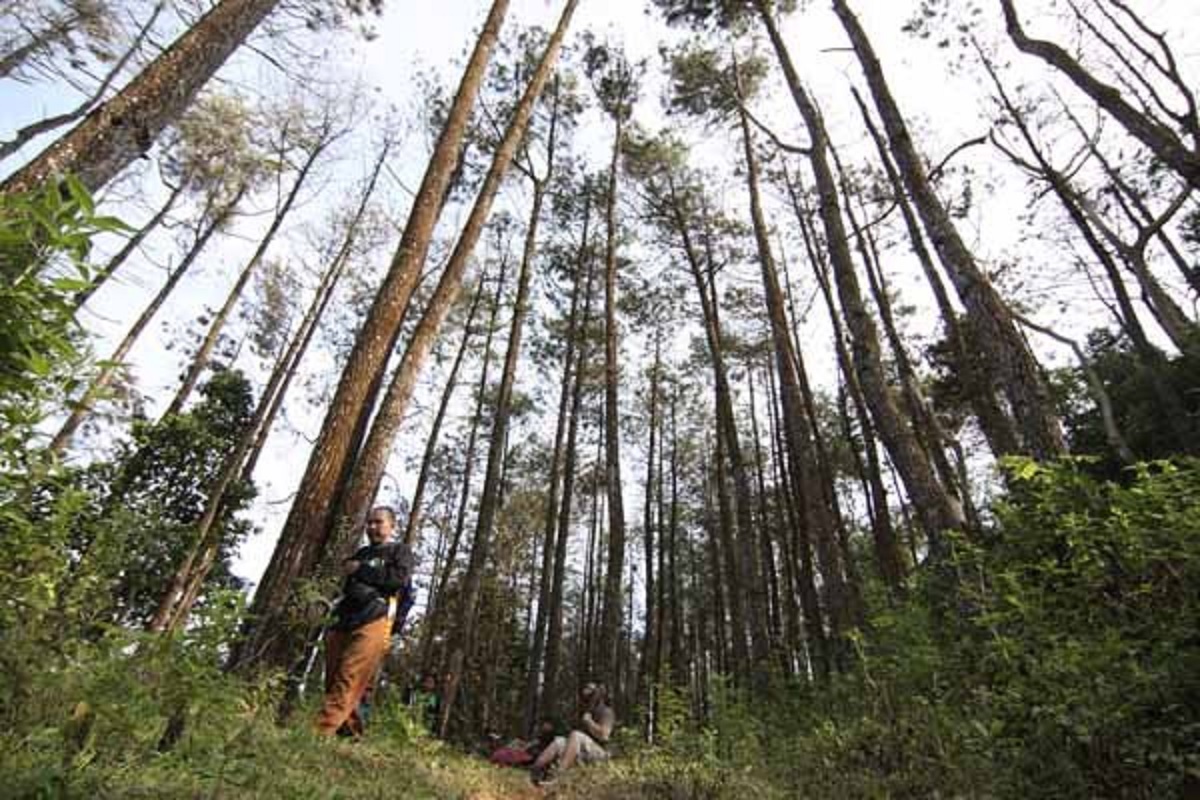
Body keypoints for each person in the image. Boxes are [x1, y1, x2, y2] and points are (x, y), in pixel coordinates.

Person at [315, 506, 414, 737]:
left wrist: (361, 569)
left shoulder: (400, 551)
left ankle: (319, 733)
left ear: (392, 526)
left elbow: (397, 580)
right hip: (343, 619)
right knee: (333, 676)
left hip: (375, 618)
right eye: (369, 523)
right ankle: (350, 733)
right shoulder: (360, 553)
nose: (372, 527)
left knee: (350, 676)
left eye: (378, 522)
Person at [530, 683, 615, 783]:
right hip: (583, 752)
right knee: (559, 741)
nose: (587, 696)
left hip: (600, 754)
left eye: (591, 693)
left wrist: (589, 722)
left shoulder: (606, 712)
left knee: (576, 735)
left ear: (599, 696)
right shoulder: (585, 712)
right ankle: (535, 771)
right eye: (586, 693)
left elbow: (604, 736)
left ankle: (558, 777)